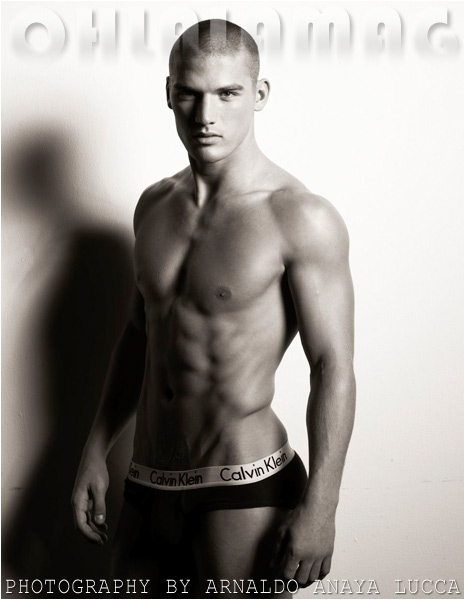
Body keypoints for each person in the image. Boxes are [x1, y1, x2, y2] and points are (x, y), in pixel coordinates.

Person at [71, 18, 356, 599]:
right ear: (168, 92)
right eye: (190, 93)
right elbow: (139, 335)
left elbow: (333, 366)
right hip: (146, 483)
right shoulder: (153, 206)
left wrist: (322, 506)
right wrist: (94, 449)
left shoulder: (298, 216)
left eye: (227, 94)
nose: (206, 115)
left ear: (259, 94)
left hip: (243, 487)